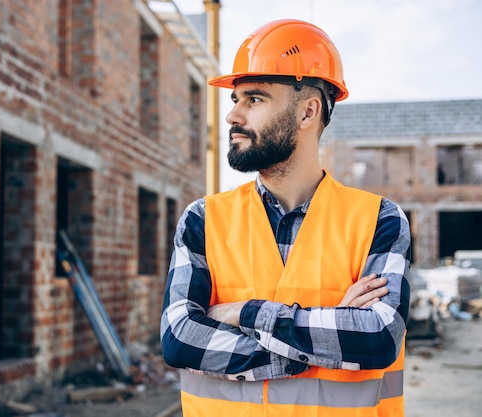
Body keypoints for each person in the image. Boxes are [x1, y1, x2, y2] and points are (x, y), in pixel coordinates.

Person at [160, 19, 411, 417]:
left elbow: (377, 338)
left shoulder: (378, 220)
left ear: (308, 112)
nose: (233, 116)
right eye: (235, 100)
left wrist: (240, 313)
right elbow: (179, 339)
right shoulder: (204, 220)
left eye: (254, 99)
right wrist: (327, 344)